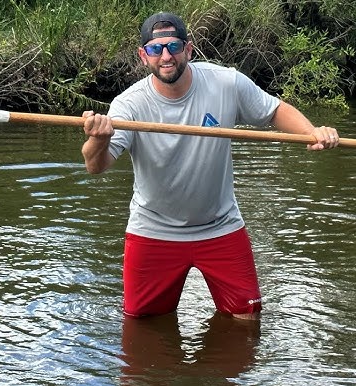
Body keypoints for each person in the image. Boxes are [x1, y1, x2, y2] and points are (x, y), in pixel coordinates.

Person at [82, 12, 340, 320]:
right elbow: (95, 166)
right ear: (143, 56)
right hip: (154, 230)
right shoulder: (129, 106)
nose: (166, 56)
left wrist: (312, 133)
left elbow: (274, 110)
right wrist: (98, 139)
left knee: (247, 320)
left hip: (221, 226)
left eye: (174, 46)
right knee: (141, 326)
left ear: (188, 50)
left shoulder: (225, 82)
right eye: (155, 49)